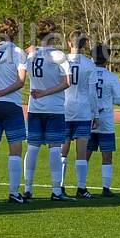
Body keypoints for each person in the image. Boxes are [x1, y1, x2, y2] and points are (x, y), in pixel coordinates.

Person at [24, 18, 72, 202]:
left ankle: (28, 188)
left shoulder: (31, 55)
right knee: (54, 148)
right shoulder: (58, 55)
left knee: (33, 147)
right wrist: (46, 92)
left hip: (35, 108)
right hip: (54, 108)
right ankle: (56, 190)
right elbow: (67, 82)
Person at [0, 17, 29, 203]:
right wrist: (2, 92)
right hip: (10, 104)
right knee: (15, 150)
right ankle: (13, 192)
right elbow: (21, 81)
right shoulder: (18, 52)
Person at [60, 31, 100, 199]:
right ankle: (81, 188)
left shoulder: (61, 60)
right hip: (83, 111)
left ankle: (59, 187)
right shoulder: (89, 64)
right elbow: (92, 92)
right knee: (81, 152)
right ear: (84, 46)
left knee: (63, 151)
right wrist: (95, 114)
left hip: (64, 109)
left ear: (69, 43)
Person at [88, 43, 120, 197]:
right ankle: (105, 188)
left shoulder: (88, 73)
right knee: (107, 154)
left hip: (88, 117)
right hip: (106, 119)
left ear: (92, 57)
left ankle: (81, 186)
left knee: (84, 153)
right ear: (107, 58)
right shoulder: (112, 77)